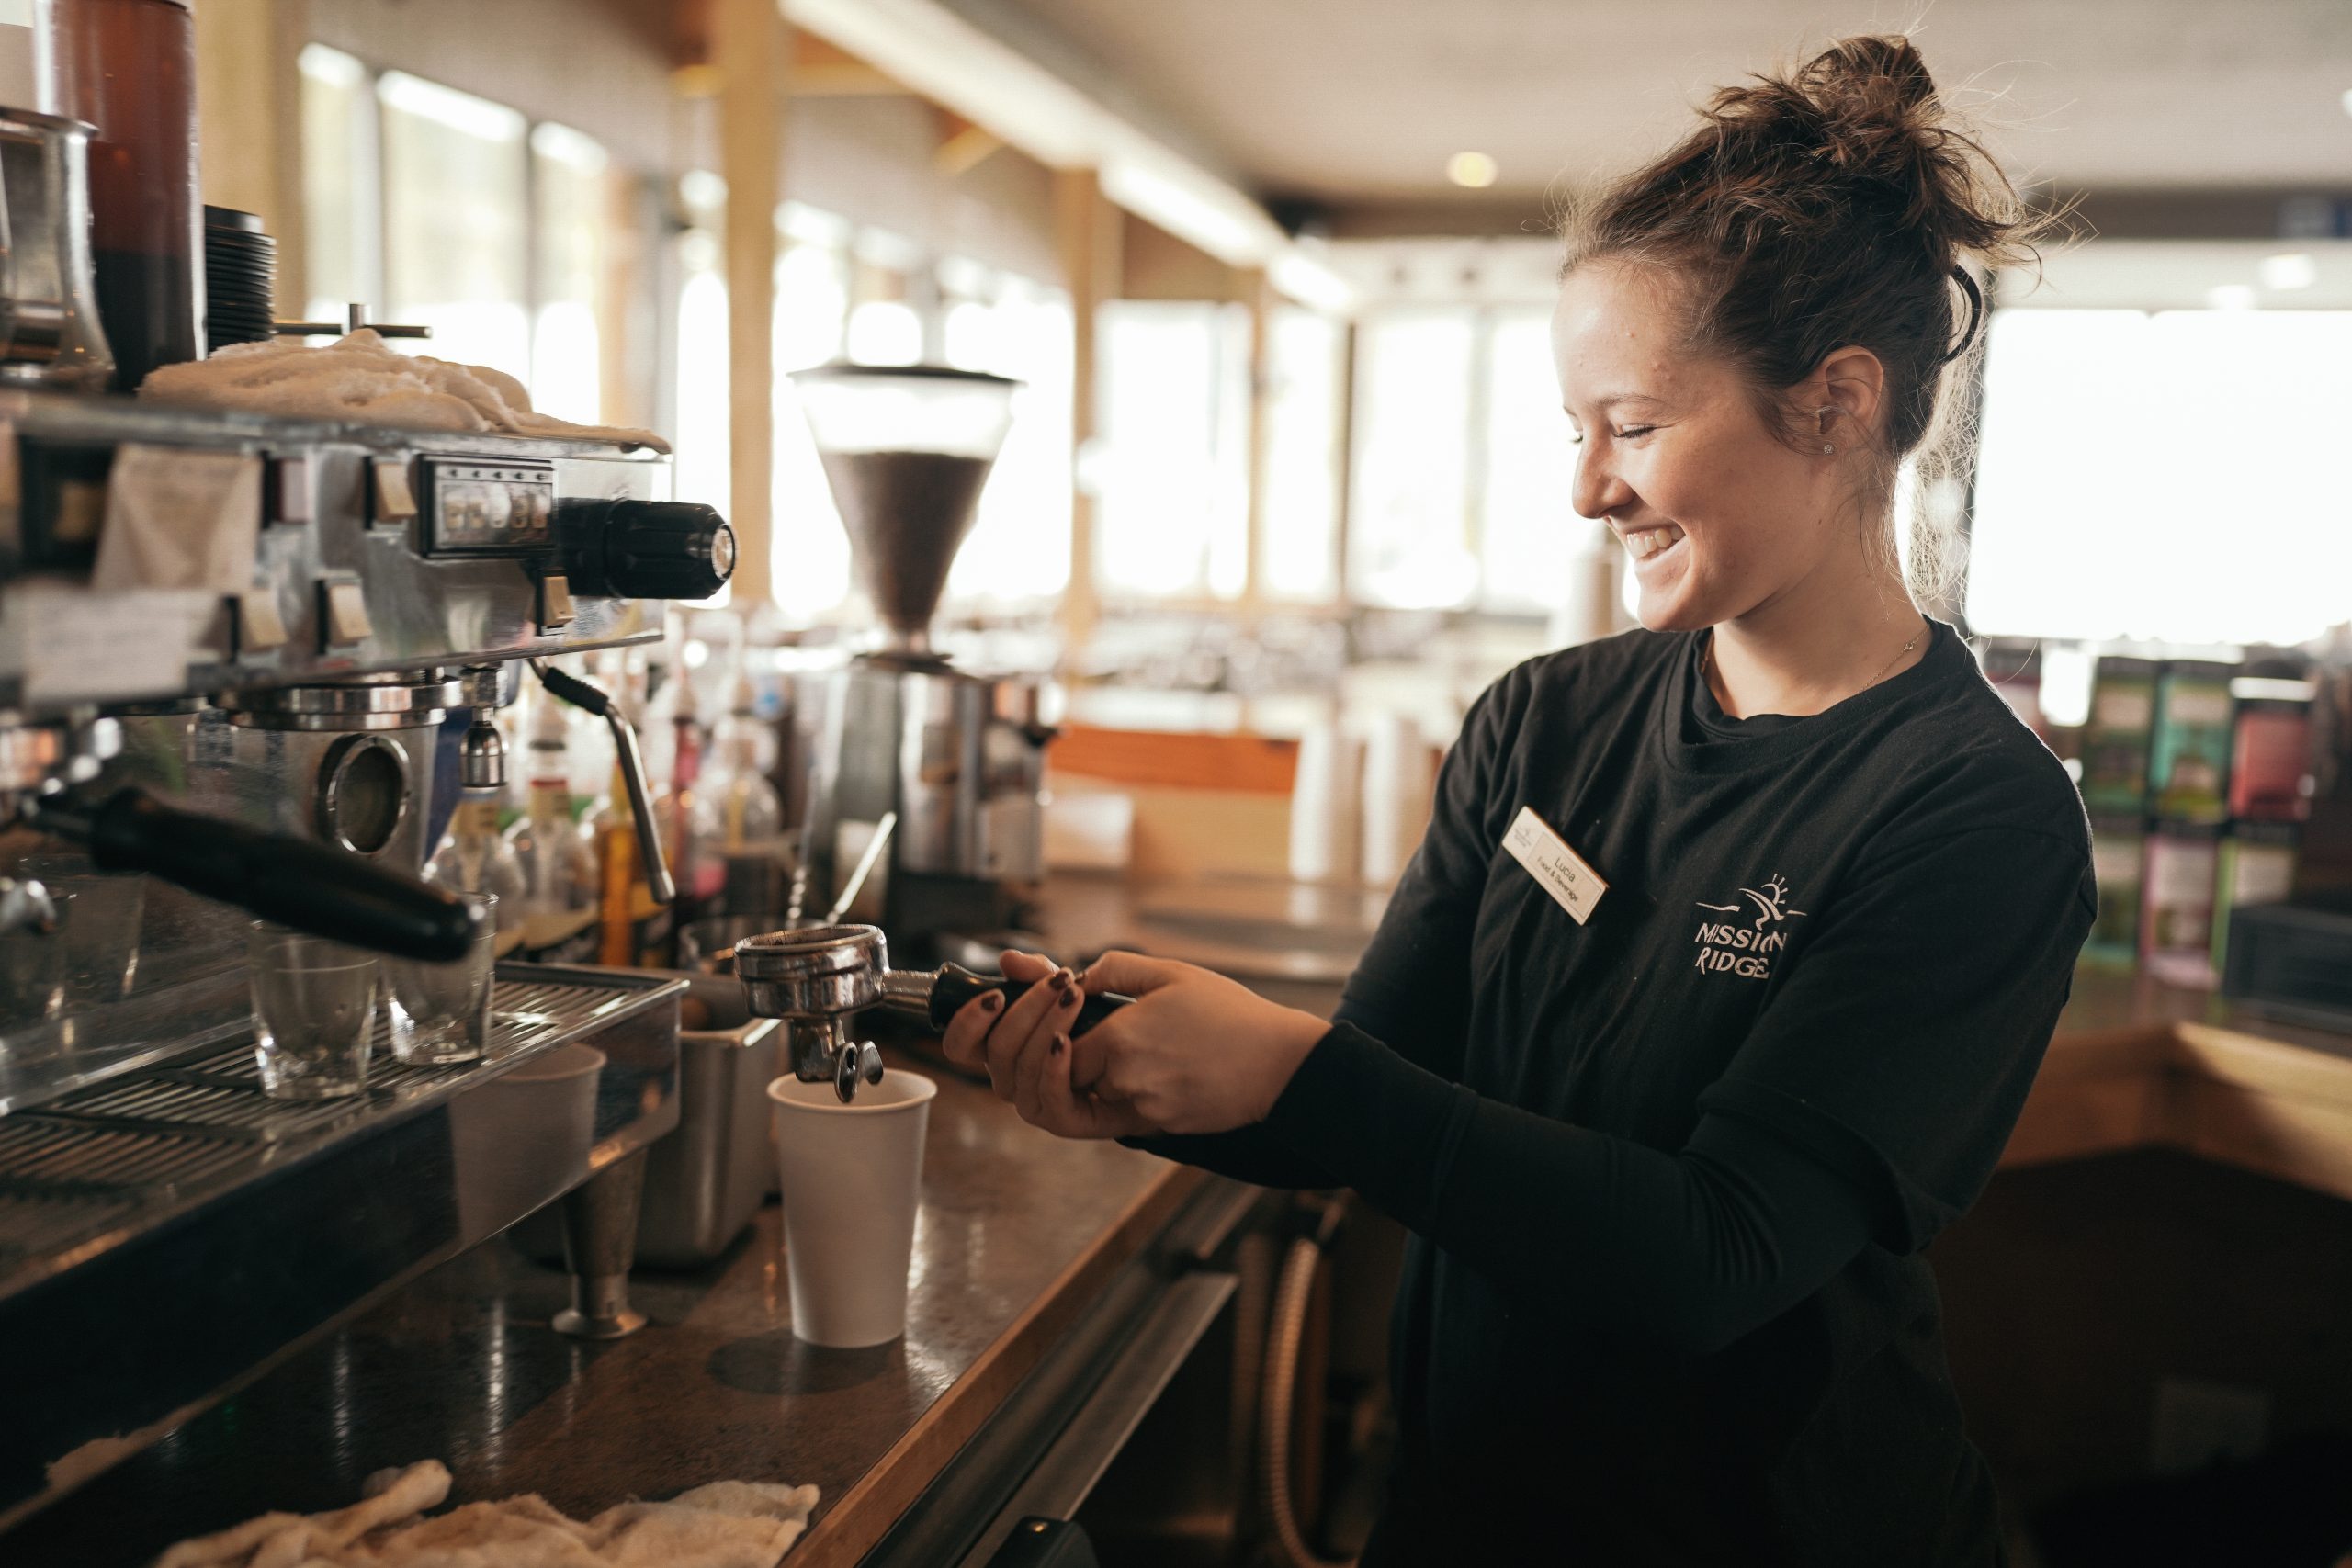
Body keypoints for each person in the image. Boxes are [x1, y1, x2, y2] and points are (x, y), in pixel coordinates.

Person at [946, 35, 2095, 1566]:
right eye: (1575, 432)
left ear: (1832, 405)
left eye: (1632, 425)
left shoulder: (1972, 818)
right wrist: (1120, 1076)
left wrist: (1298, 1071)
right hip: (1468, 1511)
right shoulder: (1546, 723)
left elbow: (1717, 1253)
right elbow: (1368, 1098)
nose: (1587, 490)